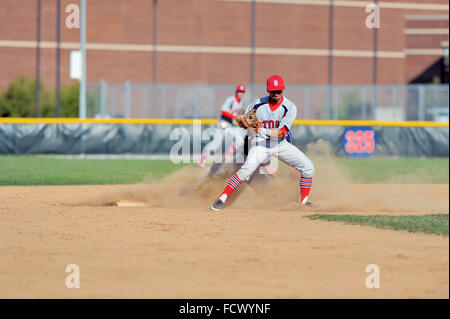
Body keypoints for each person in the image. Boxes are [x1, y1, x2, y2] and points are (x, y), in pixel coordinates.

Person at [210, 75, 315, 211]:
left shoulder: (289, 107)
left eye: (279, 91)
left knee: (308, 167)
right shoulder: (257, 104)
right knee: (245, 171)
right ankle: (222, 198)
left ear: (283, 90)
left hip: (280, 144)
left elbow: (281, 133)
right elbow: (243, 122)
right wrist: (243, 123)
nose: (276, 93)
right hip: (261, 144)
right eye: (273, 91)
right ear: (268, 90)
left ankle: (303, 202)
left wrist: (259, 129)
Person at [200, 84, 247, 167]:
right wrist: (236, 117)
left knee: (240, 140)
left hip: (231, 124)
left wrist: (239, 119)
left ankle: (227, 155)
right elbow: (224, 111)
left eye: (242, 92)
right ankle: (203, 158)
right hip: (224, 123)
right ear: (236, 92)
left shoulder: (241, 102)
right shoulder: (231, 99)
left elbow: (235, 114)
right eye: (239, 91)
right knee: (216, 142)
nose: (241, 93)